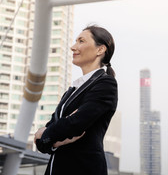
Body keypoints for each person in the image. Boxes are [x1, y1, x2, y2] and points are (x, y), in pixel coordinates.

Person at [34, 25, 118, 175]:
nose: (73, 47)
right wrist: (53, 138)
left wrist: (47, 134)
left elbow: (76, 124)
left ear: (100, 50)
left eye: (81, 41)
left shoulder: (105, 84)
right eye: (75, 41)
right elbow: (45, 138)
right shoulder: (73, 89)